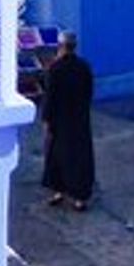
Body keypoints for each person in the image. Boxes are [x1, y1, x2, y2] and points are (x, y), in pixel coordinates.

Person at [40, 31, 95, 211]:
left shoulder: (55, 69)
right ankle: (80, 197)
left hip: (60, 119)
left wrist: (46, 119)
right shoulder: (83, 67)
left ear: (60, 46)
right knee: (80, 156)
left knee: (56, 155)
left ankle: (59, 191)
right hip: (79, 118)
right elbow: (89, 92)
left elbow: (50, 97)